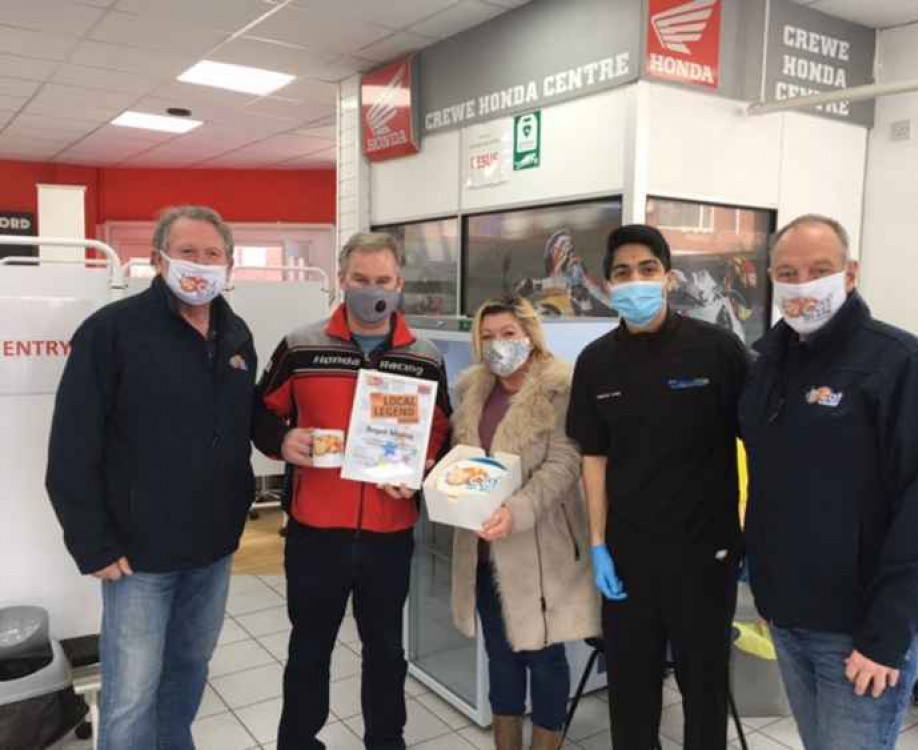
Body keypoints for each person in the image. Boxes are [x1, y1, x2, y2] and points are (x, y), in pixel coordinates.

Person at [739, 214, 918, 750]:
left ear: (851, 274)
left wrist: (886, 636)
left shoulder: (903, 364)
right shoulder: (767, 363)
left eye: (820, 269)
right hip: (787, 617)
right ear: (772, 278)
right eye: (788, 272)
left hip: (859, 631)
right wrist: (766, 592)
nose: (803, 284)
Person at [45, 206, 256, 750]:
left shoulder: (235, 334)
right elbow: (72, 445)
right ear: (158, 259)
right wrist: (91, 541)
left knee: (188, 669)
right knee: (132, 690)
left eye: (213, 255)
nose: (201, 265)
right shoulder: (112, 331)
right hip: (138, 553)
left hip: (213, 546)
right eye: (188, 252)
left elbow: (241, 417)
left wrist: (285, 440)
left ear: (229, 264)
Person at [254, 231, 451, 750]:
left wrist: (424, 465)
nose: (372, 290)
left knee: (385, 650)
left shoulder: (425, 356)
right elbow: (260, 413)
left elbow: (440, 428)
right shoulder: (301, 345)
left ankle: (386, 742)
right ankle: (298, 742)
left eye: (382, 281)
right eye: (360, 280)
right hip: (317, 531)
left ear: (400, 283)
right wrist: (283, 439)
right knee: (309, 649)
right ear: (342, 280)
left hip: (389, 533)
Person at [566, 225, 749, 750]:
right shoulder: (596, 361)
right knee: (631, 697)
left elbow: (760, 442)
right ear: (607, 284)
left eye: (647, 269)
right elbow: (593, 458)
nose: (636, 281)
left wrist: (753, 531)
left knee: (705, 692)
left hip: (705, 553)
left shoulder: (718, 351)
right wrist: (599, 544)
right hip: (628, 557)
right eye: (622, 273)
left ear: (668, 278)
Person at [449, 297, 600, 750]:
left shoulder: (560, 387)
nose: (498, 345)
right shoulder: (472, 390)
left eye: (509, 333)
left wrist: (517, 510)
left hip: (540, 547)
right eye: (488, 336)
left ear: (530, 336)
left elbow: (565, 462)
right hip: (482, 548)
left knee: (544, 656)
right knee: (501, 655)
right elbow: (462, 459)